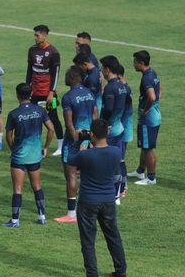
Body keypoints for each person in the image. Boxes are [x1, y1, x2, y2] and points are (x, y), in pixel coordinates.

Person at [69, 119, 127, 277]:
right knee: (113, 236)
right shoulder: (116, 152)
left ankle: (92, 274)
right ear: (107, 133)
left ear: (92, 134)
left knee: (88, 241)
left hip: (88, 201)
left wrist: (78, 143)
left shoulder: (85, 155)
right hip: (108, 200)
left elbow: (70, 159)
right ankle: (121, 271)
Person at [3, 83, 54, 228]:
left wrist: (13, 149)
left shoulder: (13, 114)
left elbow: (8, 135)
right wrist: (45, 147)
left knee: (17, 189)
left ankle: (15, 221)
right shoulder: (40, 110)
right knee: (37, 186)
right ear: (31, 94)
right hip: (35, 156)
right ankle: (42, 217)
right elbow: (51, 129)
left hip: (19, 157)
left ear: (17, 95)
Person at [55, 67, 97, 224]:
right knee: (87, 176)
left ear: (73, 77)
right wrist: (90, 140)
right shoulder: (89, 93)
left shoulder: (68, 97)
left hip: (73, 141)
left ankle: (71, 214)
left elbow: (69, 124)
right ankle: (88, 210)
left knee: (71, 176)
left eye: (67, 75)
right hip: (89, 138)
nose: (65, 78)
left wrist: (75, 140)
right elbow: (95, 117)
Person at [26, 24, 64, 156]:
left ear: (45, 35)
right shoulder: (32, 50)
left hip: (48, 94)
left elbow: (56, 74)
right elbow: (30, 70)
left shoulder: (53, 52)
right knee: (33, 118)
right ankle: (34, 144)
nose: (35, 38)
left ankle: (60, 145)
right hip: (34, 92)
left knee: (53, 117)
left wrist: (51, 92)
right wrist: (27, 88)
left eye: (37, 35)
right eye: (35, 35)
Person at [128, 50, 161, 186]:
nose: (134, 64)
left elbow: (152, 96)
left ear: (141, 63)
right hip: (155, 115)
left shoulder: (146, 78)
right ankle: (140, 171)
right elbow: (159, 89)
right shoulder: (152, 72)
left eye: (135, 62)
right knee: (145, 146)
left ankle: (151, 178)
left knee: (148, 148)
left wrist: (145, 110)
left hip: (149, 118)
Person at [99, 55, 127, 203]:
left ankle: (115, 195)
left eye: (102, 68)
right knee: (119, 160)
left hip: (110, 130)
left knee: (111, 162)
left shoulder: (110, 87)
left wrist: (102, 124)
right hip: (119, 127)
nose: (101, 70)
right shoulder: (122, 85)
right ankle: (120, 189)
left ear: (107, 69)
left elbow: (108, 109)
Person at [118, 65, 133, 196]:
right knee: (120, 158)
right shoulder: (126, 87)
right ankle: (123, 185)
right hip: (125, 127)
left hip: (122, 128)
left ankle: (123, 186)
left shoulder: (123, 89)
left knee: (120, 159)